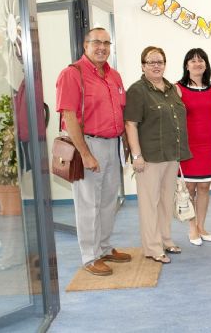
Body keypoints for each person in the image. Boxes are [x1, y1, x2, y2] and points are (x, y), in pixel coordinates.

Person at [55, 27, 130, 276]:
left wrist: (126, 144)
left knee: (108, 201)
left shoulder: (114, 76)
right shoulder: (72, 74)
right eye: (97, 42)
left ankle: (105, 247)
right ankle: (90, 256)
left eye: (107, 43)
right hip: (89, 144)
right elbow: (68, 116)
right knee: (89, 203)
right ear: (85, 45)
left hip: (112, 144)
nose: (102, 47)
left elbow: (121, 111)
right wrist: (85, 153)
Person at [124, 46, 191, 264]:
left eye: (159, 61)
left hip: (171, 154)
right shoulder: (137, 90)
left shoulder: (172, 89)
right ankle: (152, 248)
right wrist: (137, 156)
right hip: (150, 157)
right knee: (149, 203)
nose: (156, 65)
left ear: (165, 63)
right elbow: (131, 124)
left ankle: (166, 239)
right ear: (142, 65)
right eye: (151, 62)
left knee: (165, 201)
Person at [177, 48, 211, 246]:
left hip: (209, 146)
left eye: (201, 60)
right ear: (186, 65)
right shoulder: (178, 88)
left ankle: (202, 225)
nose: (197, 64)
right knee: (189, 188)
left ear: (206, 65)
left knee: (204, 187)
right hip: (188, 147)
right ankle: (192, 228)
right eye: (192, 61)